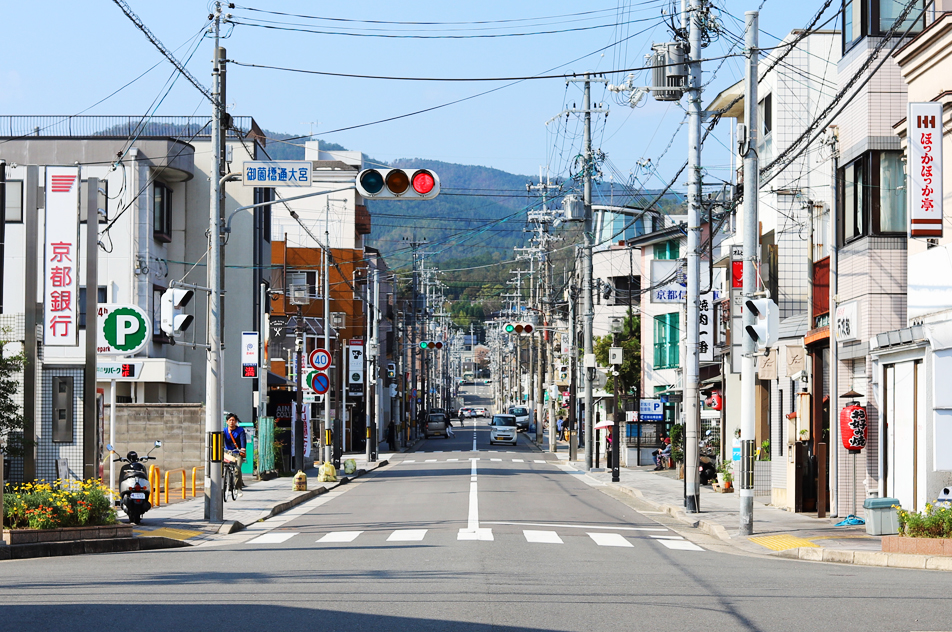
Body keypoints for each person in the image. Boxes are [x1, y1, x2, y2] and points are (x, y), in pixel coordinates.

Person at [224, 413, 247, 493]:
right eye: (230, 420)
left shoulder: (240, 430)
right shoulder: (224, 431)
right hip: (228, 453)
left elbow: (243, 440)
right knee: (221, 467)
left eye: (233, 420)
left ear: (236, 421)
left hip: (237, 452)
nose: (231, 422)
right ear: (227, 421)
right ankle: (226, 483)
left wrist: (243, 448)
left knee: (237, 470)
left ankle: (238, 488)